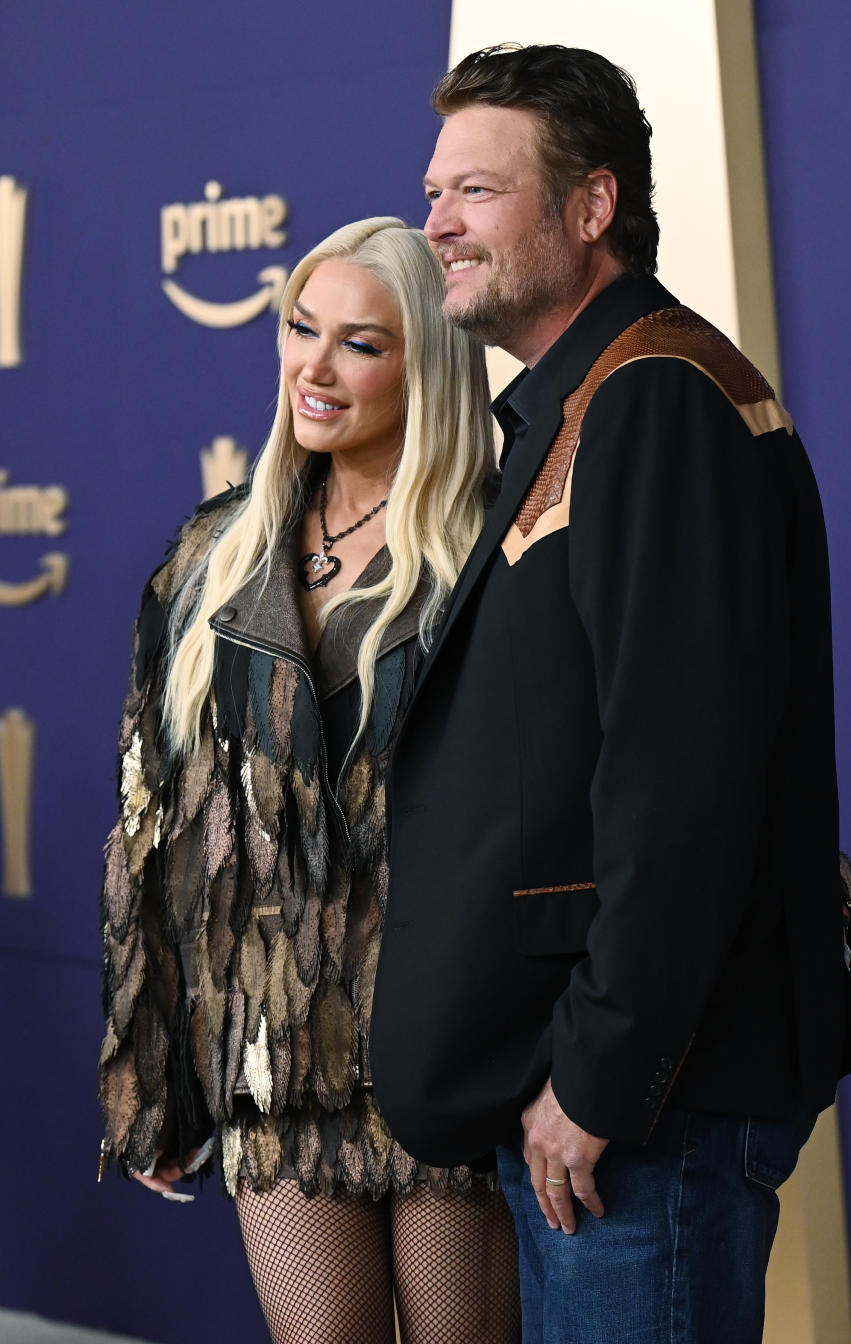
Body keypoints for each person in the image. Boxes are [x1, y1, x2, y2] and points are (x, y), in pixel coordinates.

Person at [369, 45, 851, 1344]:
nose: (435, 223)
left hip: (646, 1108)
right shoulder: (574, 398)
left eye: (476, 192)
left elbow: (682, 782)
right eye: (434, 191)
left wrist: (602, 1076)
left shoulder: (656, 398)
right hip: (597, 1089)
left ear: (591, 206)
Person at [98, 216, 521, 1344]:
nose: (314, 368)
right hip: (276, 1053)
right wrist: (154, 1063)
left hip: (448, 1047)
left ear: (427, 362)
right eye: (300, 329)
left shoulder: (496, 551)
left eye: (360, 344)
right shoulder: (213, 554)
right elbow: (156, 823)